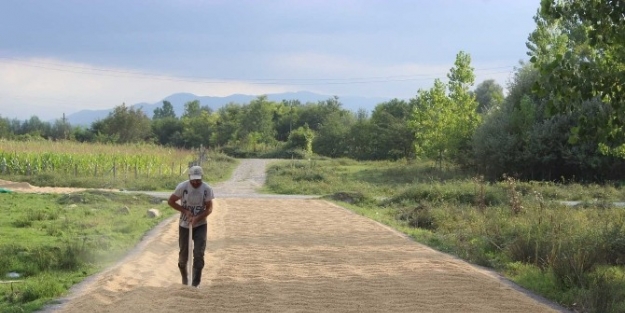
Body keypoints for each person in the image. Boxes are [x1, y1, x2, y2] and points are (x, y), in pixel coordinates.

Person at [167, 165, 214, 287]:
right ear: (189, 177)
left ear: (202, 178)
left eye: (198, 180)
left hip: (201, 224)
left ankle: (195, 284)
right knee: (183, 255)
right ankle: (184, 278)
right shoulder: (182, 187)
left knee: (198, 254)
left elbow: (209, 208)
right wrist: (185, 211)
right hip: (184, 224)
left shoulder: (206, 189)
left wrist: (197, 218)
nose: (196, 182)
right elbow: (171, 201)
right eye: (193, 179)